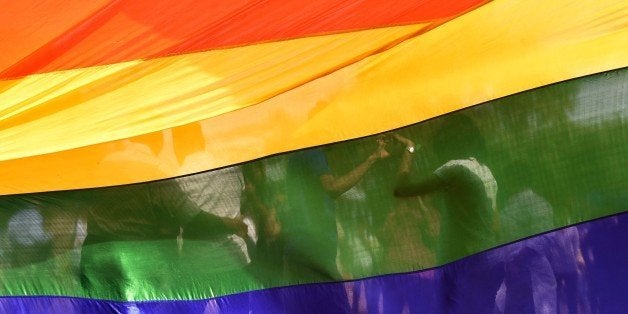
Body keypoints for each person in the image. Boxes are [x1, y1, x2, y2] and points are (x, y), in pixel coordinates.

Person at [394, 114, 501, 313]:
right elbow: (495, 224)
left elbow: (402, 190)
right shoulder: (487, 172)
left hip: (463, 265)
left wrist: (410, 148)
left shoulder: (454, 168)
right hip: (490, 261)